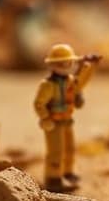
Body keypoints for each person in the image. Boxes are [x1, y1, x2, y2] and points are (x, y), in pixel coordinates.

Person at [34, 43, 100, 192]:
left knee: (69, 149)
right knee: (56, 152)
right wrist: (45, 118)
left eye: (69, 62)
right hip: (54, 122)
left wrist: (89, 67)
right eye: (63, 63)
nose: (67, 66)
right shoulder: (48, 85)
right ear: (53, 65)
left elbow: (79, 84)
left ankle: (67, 173)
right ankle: (53, 177)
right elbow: (39, 104)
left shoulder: (69, 81)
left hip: (67, 120)